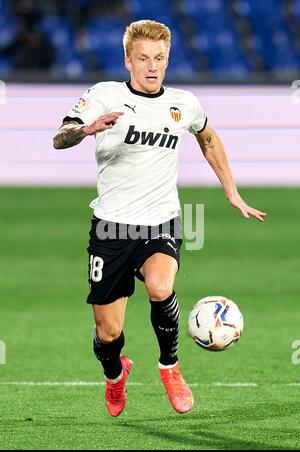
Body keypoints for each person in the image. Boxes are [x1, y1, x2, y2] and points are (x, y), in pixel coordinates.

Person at [53, 20, 266, 417]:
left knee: (160, 284)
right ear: (128, 60)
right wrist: (86, 129)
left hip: (160, 221)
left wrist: (231, 191)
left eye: (160, 59)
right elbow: (59, 136)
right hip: (111, 227)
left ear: (167, 60)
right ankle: (116, 376)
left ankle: (170, 367)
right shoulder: (105, 95)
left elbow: (209, 138)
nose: (152, 66)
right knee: (108, 332)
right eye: (143, 59)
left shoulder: (185, 104)